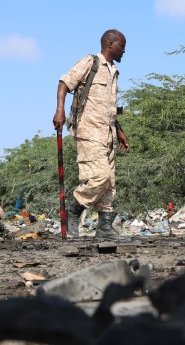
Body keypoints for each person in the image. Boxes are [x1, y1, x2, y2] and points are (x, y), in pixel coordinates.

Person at [53, 29, 130, 240]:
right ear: (110, 44)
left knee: (109, 182)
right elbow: (64, 83)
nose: (124, 51)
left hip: (108, 134)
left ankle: (104, 228)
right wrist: (59, 110)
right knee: (99, 176)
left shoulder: (113, 71)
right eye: (122, 46)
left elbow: (108, 107)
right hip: (88, 130)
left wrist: (120, 131)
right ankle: (74, 210)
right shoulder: (90, 62)